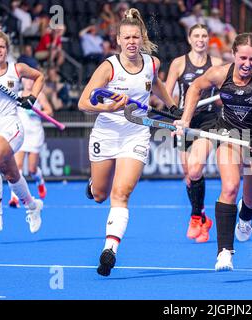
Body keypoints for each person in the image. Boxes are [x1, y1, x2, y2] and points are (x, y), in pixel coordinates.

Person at [174, 33, 252, 271]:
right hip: (229, 135)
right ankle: (224, 252)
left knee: (251, 200)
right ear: (233, 55)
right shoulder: (221, 73)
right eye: (243, 58)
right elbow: (196, 87)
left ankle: (245, 219)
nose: (247, 64)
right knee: (230, 187)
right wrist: (185, 120)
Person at [78, 8, 176, 277]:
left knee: (121, 194)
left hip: (136, 133)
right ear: (118, 40)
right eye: (126, 38)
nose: (131, 42)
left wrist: (172, 106)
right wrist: (109, 108)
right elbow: (83, 103)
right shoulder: (108, 67)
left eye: (136, 37)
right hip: (107, 133)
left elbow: (155, 83)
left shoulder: (152, 63)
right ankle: (93, 184)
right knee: (100, 195)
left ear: (141, 37)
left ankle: (109, 249)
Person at [165, 24, 223, 243]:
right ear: (189, 39)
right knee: (189, 176)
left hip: (208, 121)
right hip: (183, 121)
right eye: (196, 35)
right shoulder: (179, 64)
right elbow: (168, 93)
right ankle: (204, 218)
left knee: (196, 167)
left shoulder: (216, 64)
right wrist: (176, 114)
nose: (200, 39)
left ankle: (195, 216)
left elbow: (223, 93)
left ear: (208, 39)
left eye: (204, 36)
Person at [0, 30, 44, 233]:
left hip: (11, 125)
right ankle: (32, 206)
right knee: (11, 174)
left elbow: (40, 77)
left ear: (7, 49)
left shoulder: (17, 69)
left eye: (2, 47)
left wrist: (32, 98)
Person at [8, 78, 53, 208]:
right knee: (17, 167)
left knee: (32, 169)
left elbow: (49, 111)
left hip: (35, 134)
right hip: (21, 134)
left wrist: (35, 113)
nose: (28, 82)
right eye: (26, 79)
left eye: (30, 80)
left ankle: (40, 181)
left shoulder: (39, 95)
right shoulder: (17, 94)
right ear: (22, 81)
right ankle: (14, 198)